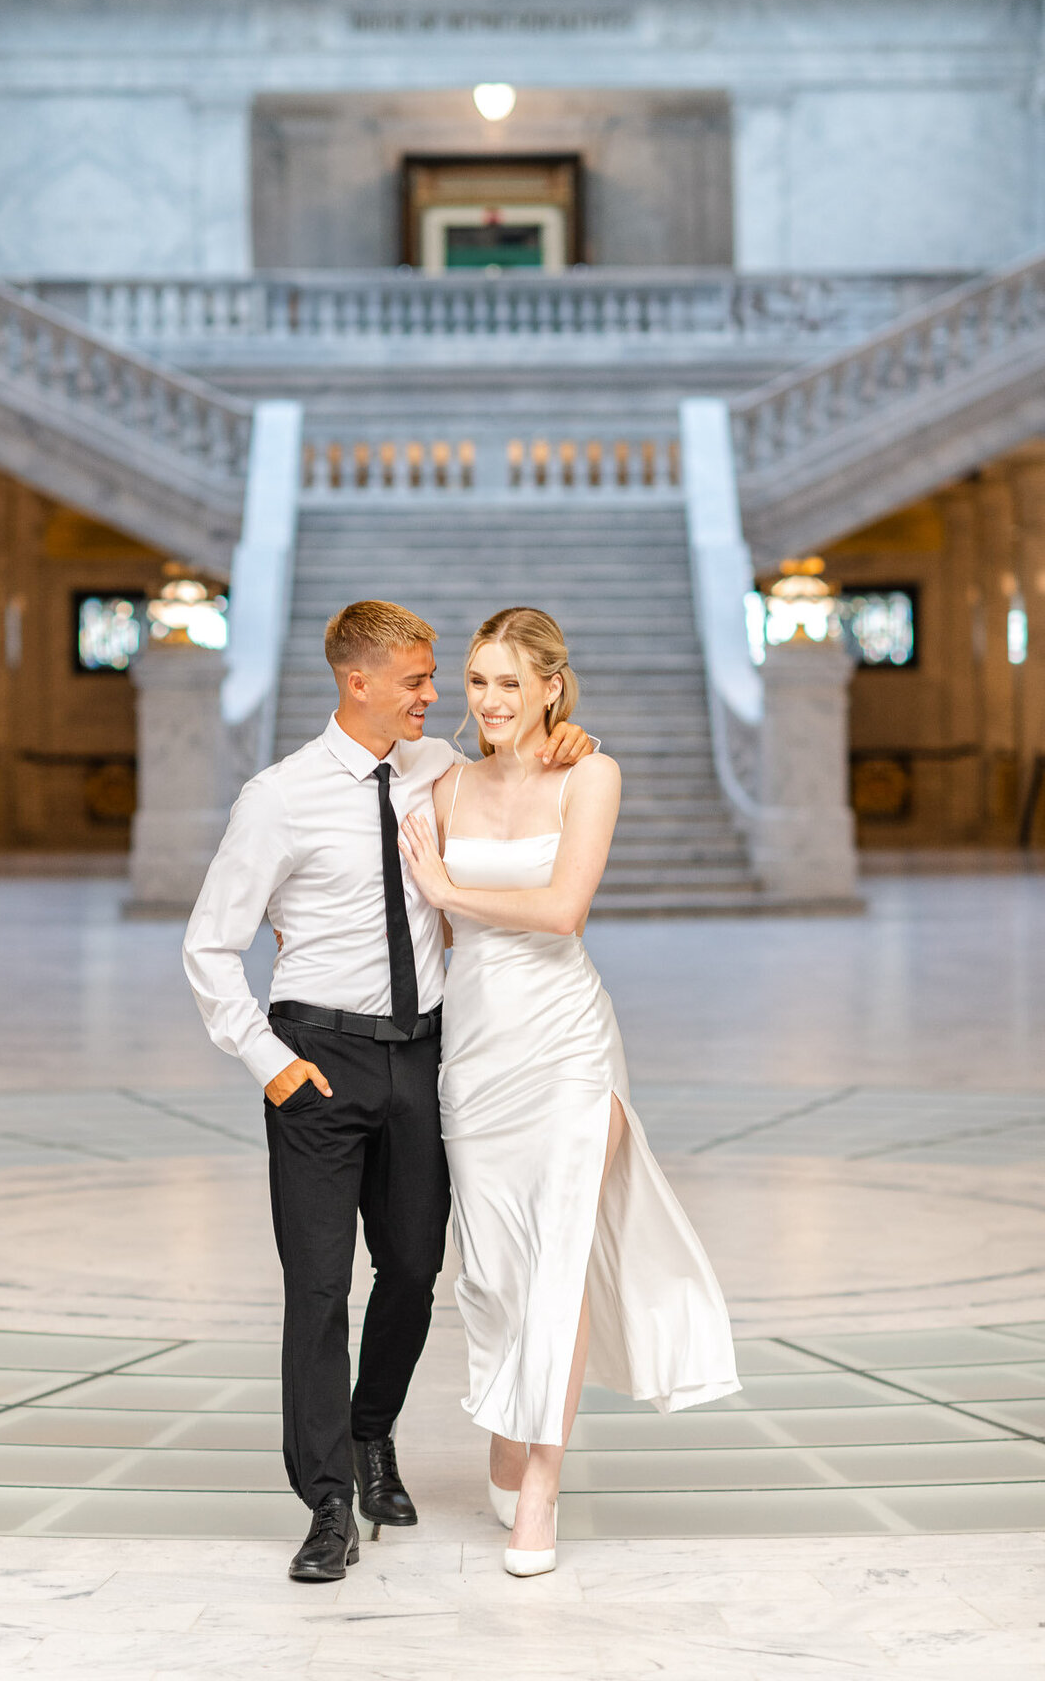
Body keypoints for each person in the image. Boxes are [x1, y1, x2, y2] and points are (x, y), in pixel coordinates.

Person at [182, 599, 594, 1582]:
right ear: (357, 682)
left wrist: (559, 735)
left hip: (426, 1056)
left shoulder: (437, 775)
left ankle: (373, 1433)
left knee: (413, 1269)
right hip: (317, 1059)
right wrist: (267, 1060)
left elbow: (517, 787)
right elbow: (209, 943)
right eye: (416, 681)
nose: (434, 697)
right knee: (319, 1287)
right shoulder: (276, 799)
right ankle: (326, 1500)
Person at [398, 606, 740, 1578]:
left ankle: (539, 1492)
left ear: (553, 685)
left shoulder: (593, 774)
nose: (492, 701)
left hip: (567, 1046)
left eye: (513, 683)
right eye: (478, 682)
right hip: (477, 1048)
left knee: (559, 1261)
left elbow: (562, 910)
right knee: (496, 1274)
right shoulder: (447, 781)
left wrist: (450, 891)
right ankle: (513, 1428)